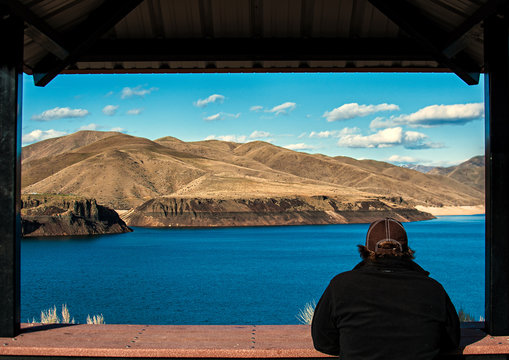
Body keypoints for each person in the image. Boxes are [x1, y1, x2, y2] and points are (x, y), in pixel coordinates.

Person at [311, 217, 460, 360]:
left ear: (365, 251)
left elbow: (322, 341)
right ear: (407, 251)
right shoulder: (433, 289)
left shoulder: (340, 286)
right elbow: (452, 340)